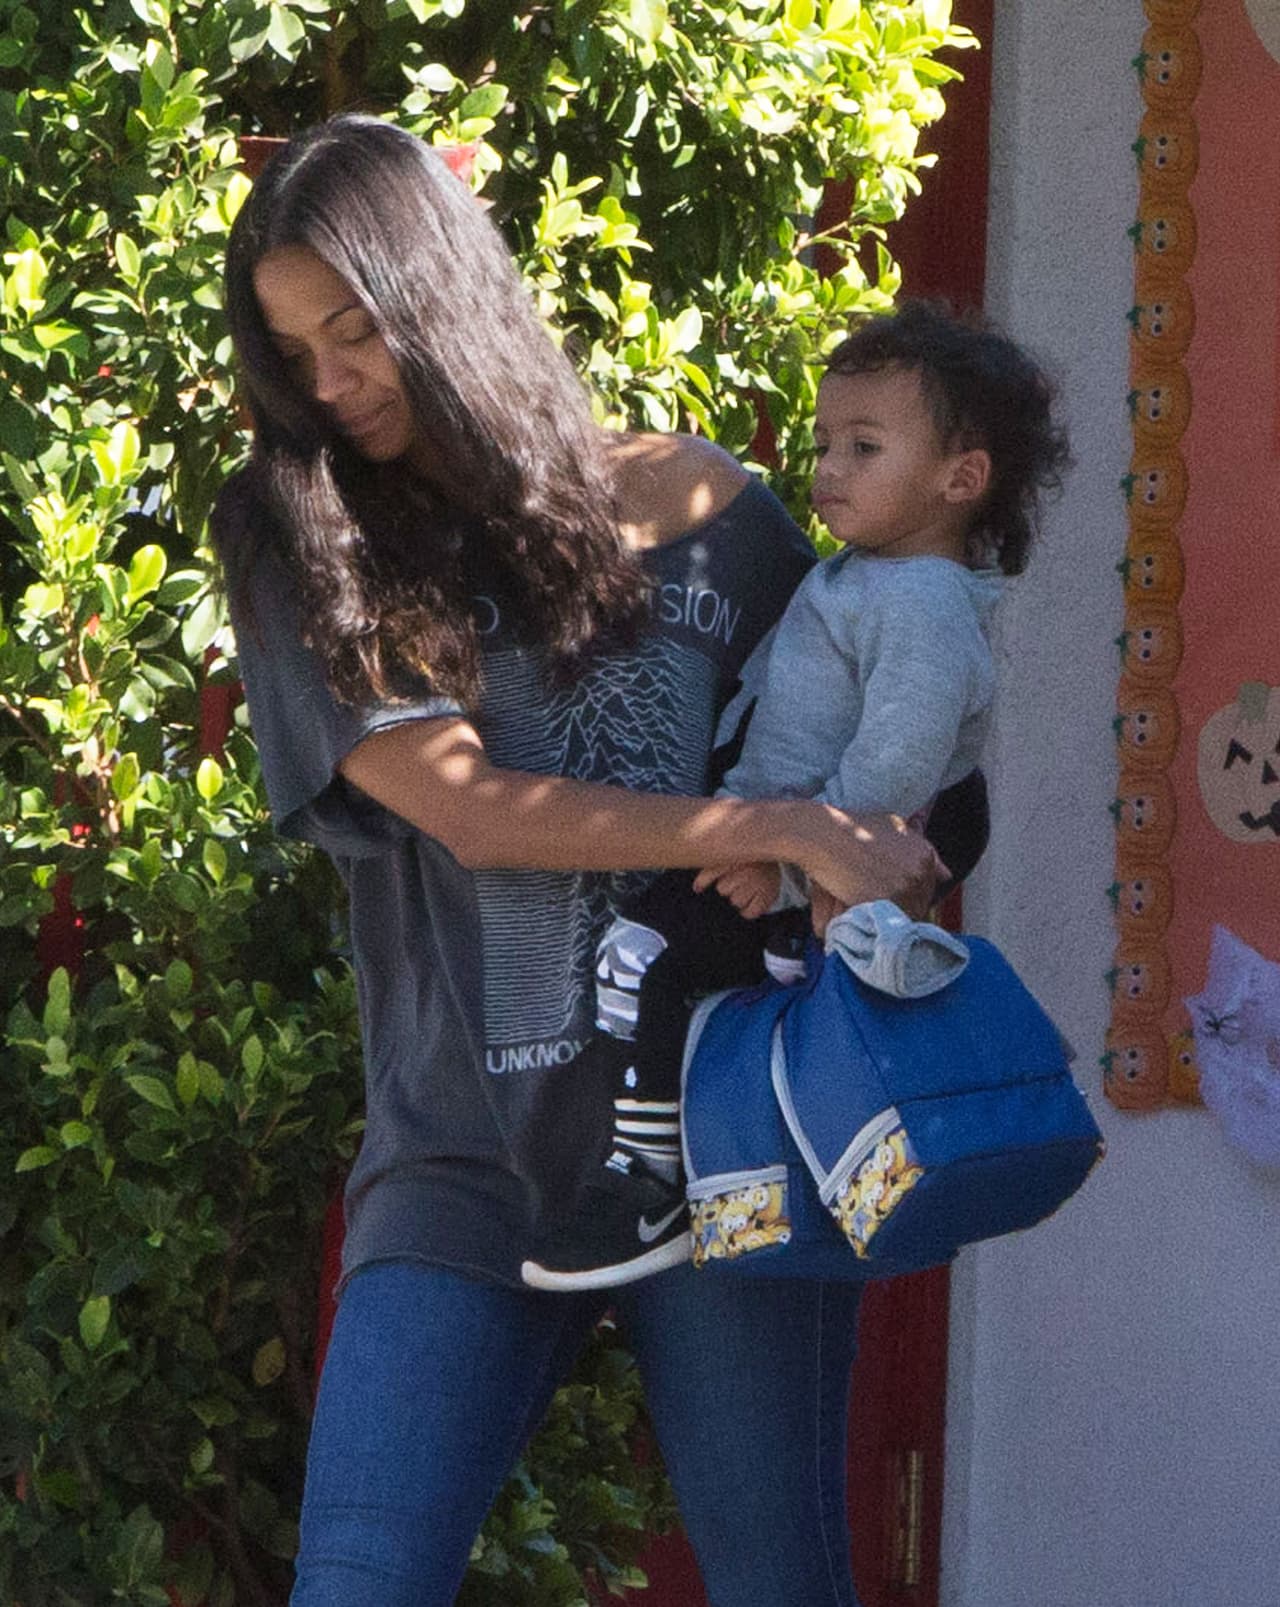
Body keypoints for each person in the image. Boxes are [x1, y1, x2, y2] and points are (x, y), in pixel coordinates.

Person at [212, 113, 985, 1607]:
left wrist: (892, 854)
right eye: (296, 349)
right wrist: (769, 825)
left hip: (733, 1155)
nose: (332, 381)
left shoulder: (715, 518)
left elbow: (919, 782)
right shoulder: (304, 528)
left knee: (782, 1582)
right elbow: (470, 801)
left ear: (443, 287)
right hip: (460, 1163)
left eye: (357, 329)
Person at [526, 300, 1070, 1292]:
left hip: (809, 853)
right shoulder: (866, 577)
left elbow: (899, 764)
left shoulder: (921, 601)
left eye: (863, 446)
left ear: (962, 477)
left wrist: (784, 869)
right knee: (684, 982)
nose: (825, 468)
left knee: (639, 952)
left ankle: (645, 1183)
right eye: (823, 442)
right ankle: (698, 1167)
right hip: (786, 836)